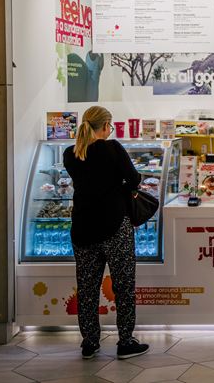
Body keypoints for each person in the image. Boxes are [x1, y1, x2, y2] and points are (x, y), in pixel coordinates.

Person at [63, 106, 149, 360]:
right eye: (110, 126)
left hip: (83, 228)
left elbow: (88, 181)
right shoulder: (112, 148)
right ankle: (125, 342)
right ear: (105, 126)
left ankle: (90, 343)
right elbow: (134, 179)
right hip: (115, 227)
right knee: (123, 286)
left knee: (87, 289)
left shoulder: (70, 154)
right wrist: (121, 184)